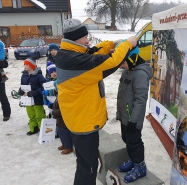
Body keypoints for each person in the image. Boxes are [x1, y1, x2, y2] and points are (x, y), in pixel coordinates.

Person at [55, 18, 137, 185]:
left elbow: (93, 52)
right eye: (85, 37)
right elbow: (110, 62)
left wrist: (113, 43)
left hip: (81, 119)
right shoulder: (75, 62)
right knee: (88, 168)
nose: (88, 41)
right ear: (76, 39)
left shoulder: (70, 53)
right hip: (83, 123)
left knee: (86, 163)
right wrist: (127, 44)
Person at [116, 47, 153, 183]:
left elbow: (140, 100)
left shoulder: (140, 74)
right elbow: (123, 95)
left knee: (134, 141)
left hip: (133, 119)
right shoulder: (128, 71)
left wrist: (134, 121)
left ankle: (140, 166)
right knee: (126, 139)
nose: (121, 65)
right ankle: (133, 160)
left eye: (123, 62)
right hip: (125, 116)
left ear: (133, 59)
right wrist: (120, 113)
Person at [18, 58, 46, 135]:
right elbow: (22, 85)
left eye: (27, 64)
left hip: (37, 99)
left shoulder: (39, 76)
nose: (25, 66)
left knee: (39, 115)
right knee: (31, 115)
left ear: (32, 66)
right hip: (27, 99)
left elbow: (44, 86)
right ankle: (33, 128)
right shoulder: (24, 75)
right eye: (25, 64)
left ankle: (43, 129)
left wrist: (34, 92)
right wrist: (20, 90)